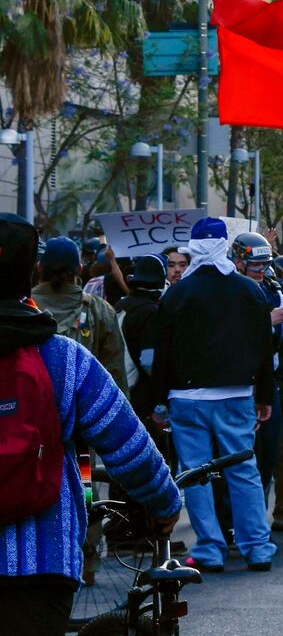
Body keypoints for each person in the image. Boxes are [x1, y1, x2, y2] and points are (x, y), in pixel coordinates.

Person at [0, 214, 182, 636]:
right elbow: (128, 445)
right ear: (29, 271)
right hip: (42, 562)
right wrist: (164, 505)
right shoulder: (64, 358)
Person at [150, 217, 278, 572]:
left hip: (186, 397)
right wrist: (264, 395)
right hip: (237, 393)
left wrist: (158, 401)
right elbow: (263, 348)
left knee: (195, 472)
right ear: (225, 247)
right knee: (243, 469)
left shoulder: (176, 294)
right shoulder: (249, 291)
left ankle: (209, 547)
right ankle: (257, 545)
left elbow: (163, 353)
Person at [230, 231, 283, 530]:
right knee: (239, 456)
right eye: (254, 265)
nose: (261, 271)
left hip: (270, 380)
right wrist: (267, 321)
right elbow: (227, 335)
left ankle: (258, 519)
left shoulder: (274, 289)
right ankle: (239, 522)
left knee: (271, 453)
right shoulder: (229, 291)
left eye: (265, 265)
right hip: (238, 383)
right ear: (238, 262)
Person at [31, 236, 131, 395]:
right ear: (79, 268)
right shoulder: (99, 310)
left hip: (31, 409)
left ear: (39, 267)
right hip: (83, 411)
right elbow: (115, 372)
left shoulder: (22, 306)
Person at [114, 254, 168, 423]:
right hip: (139, 397)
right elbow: (148, 361)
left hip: (117, 389)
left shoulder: (120, 305)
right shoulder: (150, 312)